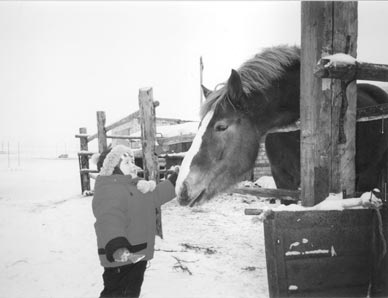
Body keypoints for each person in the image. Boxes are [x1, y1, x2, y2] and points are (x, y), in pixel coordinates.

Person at [91, 145, 178, 298]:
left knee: (130, 293)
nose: (133, 165)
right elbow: (109, 220)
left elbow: (156, 195)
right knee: (117, 294)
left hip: (137, 255)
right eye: (126, 163)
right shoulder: (110, 190)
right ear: (112, 169)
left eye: (132, 161)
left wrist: (175, 181)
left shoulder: (136, 187)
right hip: (121, 258)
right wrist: (118, 247)